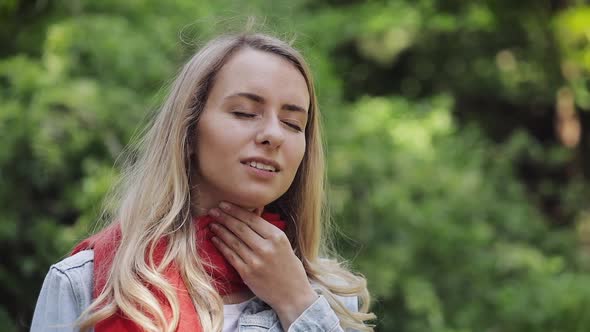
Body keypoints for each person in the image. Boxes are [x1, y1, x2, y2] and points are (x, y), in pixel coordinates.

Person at [31, 31, 375, 331]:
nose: (273, 134)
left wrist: (298, 305)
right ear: (189, 131)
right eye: (244, 113)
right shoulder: (85, 283)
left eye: (292, 123)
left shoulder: (331, 299)